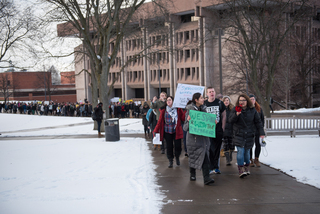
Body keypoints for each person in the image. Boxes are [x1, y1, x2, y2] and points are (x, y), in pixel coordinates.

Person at [229, 94, 265, 178]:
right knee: (240, 152)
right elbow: (230, 120)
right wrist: (236, 115)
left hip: (249, 134)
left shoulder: (252, 110)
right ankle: (241, 169)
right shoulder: (235, 109)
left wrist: (261, 133)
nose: (242, 102)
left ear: (247, 101)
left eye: (244, 100)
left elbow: (258, 122)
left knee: (247, 152)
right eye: (240, 100)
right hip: (238, 134)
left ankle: (247, 167)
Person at [184, 93, 215, 186]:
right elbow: (185, 127)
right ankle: (192, 174)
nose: (203, 99)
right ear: (196, 100)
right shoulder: (189, 111)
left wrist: (212, 123)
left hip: (204, 140)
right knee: (193, 157)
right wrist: (189, 122)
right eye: (201, 98)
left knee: (205, 157)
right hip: (194, 140)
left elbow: (206, 124)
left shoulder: (205, 109)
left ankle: (206, 178)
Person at [153, 96, 185, 168]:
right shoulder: (164, 110)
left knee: (178, 146)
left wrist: (185, 110)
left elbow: (183, 118)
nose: (168, 101)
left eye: (170, 100)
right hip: (167, 131)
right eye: (167, 100)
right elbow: (160, 121)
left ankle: (177, 157)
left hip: (176, 131)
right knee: (169, 146)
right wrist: (155, 130)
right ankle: (170, 160)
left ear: (173, 101)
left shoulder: (178, 109)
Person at [204, 87, 226, 174]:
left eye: (213, 91)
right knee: (210, 148)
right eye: (209, 92)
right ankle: (210, 167)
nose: (211, 93)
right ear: (207, 94)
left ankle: (216, 167)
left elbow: (224, 115)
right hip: (208, 130)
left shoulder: (219, 102)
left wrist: (223, 128)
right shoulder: (204, 104)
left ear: (215, 92)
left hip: (218, 130)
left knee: (217, 149)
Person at [249, 94, 265, 167]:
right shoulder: (247, 108)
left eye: (253, 99)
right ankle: (250, 159)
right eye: (251, 99)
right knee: (250, 146)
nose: (252, 101)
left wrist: (261, 129)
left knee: (258, 145)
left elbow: (262, 120)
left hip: (258, 130)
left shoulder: (259, 109)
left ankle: (256, 158)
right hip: (250, 130)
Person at [222, 96, 235, 166]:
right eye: (225, 100)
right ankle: (227, 160)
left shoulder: (232, 109)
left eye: (227, 100)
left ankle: (230, 155)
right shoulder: (221, 109)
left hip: (232, 129)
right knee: (225, 145)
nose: (226, 101)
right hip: (224, 130)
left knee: (232, 145)